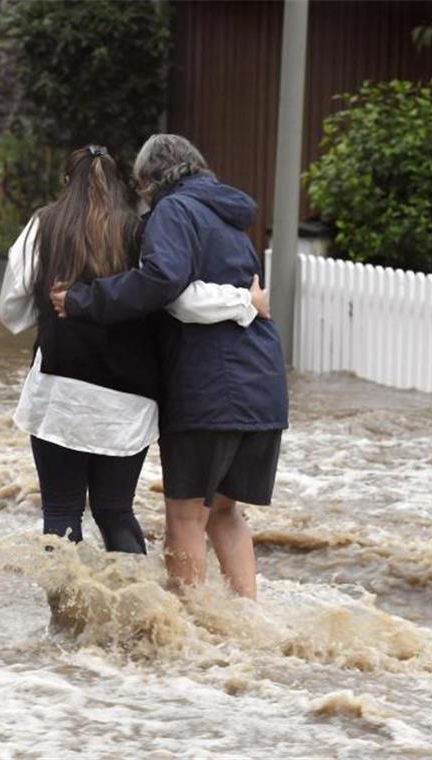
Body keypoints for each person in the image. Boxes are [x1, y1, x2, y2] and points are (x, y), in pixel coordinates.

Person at [51, 134, 289, 599]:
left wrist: (84, 299)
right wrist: (244, 302)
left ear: (148, 181)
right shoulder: (229, 219)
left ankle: (187, 635)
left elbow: (164, 283)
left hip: (210, 388)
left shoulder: (174, 211)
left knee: (184, 516)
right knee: (225, 511)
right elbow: (237, 293)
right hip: (262, 384)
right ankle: (247, 622)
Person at [0, 144, 267, 555]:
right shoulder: (143, 231)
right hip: (131, 397)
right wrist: (245, 303)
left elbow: (11, 309)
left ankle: (66, 618)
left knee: (61, 510)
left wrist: (54, 311)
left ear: (66, 182)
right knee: (116, 510)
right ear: (124, 186)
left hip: (59, 390)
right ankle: (130, 611)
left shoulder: (43, 225)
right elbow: (179, 296)